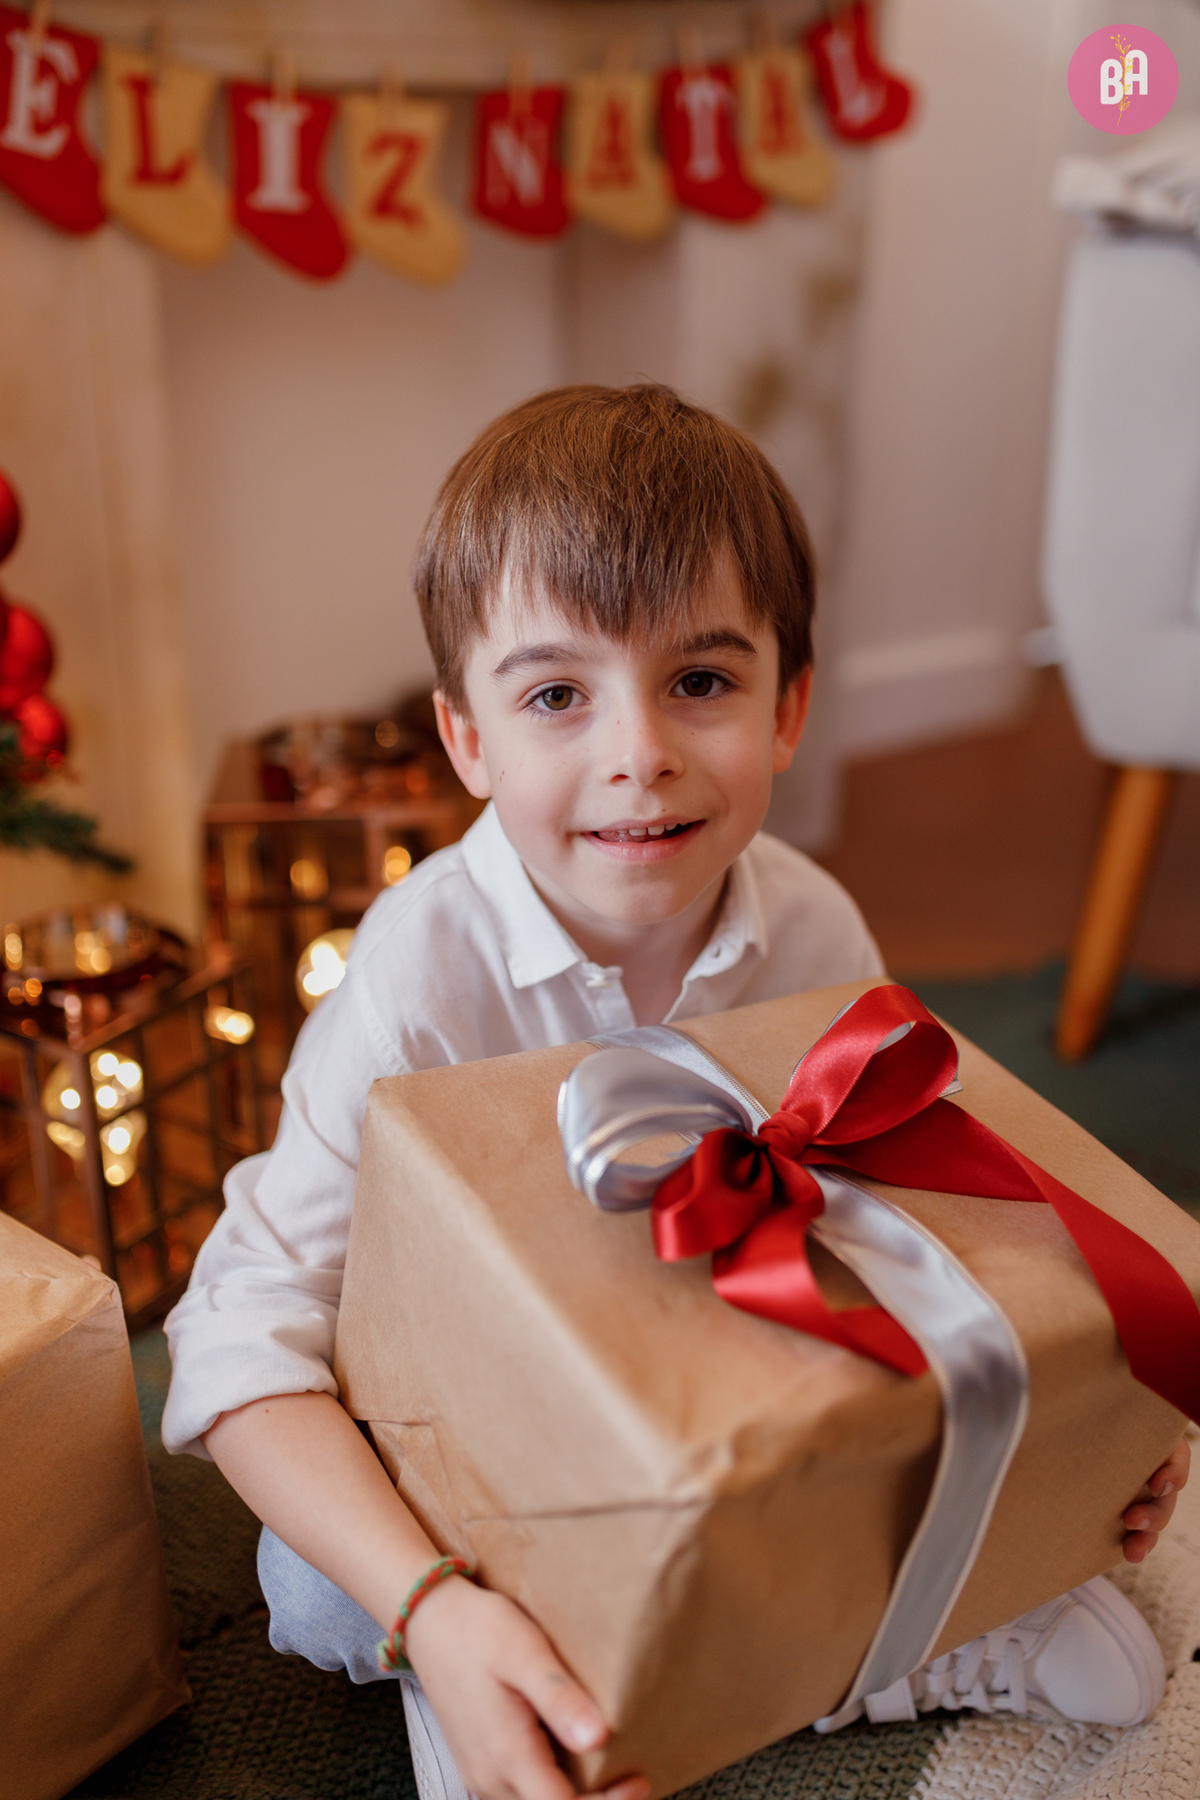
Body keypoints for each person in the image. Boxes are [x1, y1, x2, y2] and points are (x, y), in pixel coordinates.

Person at [163, 385, 1189, 1800]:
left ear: (789, 709)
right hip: (470, 1434)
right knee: (318, 1590)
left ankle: (866, 1648)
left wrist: (1081, 1421)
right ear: (469, 742)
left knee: (874, 1430)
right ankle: (549, 1672)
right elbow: (240, 1333)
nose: (637, 751)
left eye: (700, 682)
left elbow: (908, 1232)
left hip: (710, 1373)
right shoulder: (415, 981)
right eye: (555, 695)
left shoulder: (814, 927)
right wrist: (438, 1612)